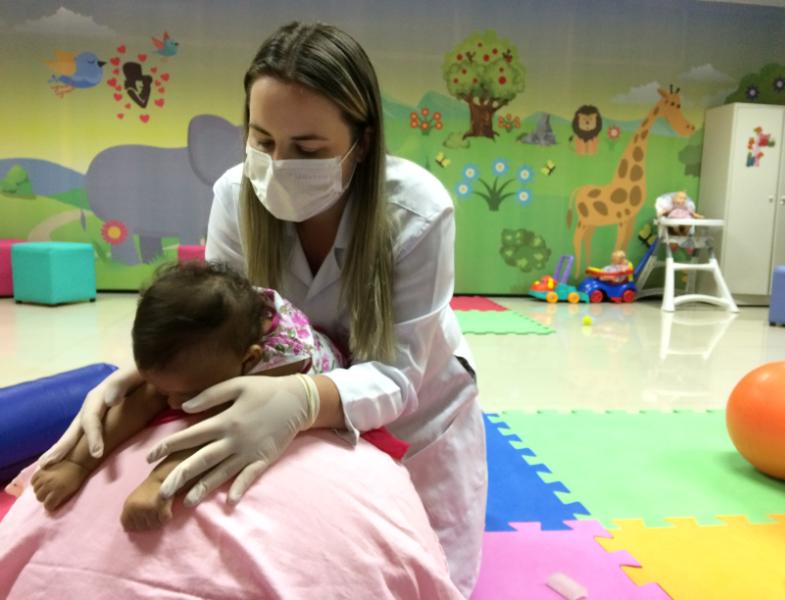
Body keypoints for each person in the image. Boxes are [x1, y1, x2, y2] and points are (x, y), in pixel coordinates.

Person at [38, 21, 487, 596]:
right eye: (262, 140)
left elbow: (397, 376)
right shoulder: (234, 194)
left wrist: (303, 401)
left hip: (417, 415)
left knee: (427, 576)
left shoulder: (418, 212)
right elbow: (222, 316)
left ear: (363, 142)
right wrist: (151, 375)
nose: (277, 163)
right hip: (282, 383)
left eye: (308, 149)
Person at [27, 261, 350, 531]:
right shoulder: (208, 329)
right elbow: (148, 394)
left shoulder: (280, 360)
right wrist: (77, 463)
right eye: (166, 391)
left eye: (186, 394)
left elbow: (224, 426)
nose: (171, 405)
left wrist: (159, 483)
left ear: (247, 360)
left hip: (316, 367)